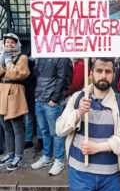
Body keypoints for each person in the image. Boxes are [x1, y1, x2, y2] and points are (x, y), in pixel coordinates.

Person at [56, 58, 120, 191]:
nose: (103, 75)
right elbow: (59, 129)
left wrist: (101, 147)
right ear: (91, 73)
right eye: (99, 71)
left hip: (112, 177)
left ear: (114, 75)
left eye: (108, 72)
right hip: (79, 175)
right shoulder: (77, 98)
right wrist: (78, 113)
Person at [31, 57, 69, 176]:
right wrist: (37, 96)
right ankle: (47, 157)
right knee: (44, 131)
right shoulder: (40, 57)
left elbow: (63, 78)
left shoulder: (60, 57)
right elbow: (35, 77)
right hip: (40, 100)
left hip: (51, 102)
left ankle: (59, 160)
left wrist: (55, 99)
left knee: (56, 133)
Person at [0, 33, 30, 170]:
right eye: (7, 42)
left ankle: (18, 156)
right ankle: (10, 154)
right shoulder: (3, 56)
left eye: (12, 42)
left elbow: (16, 74)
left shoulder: (22, 57)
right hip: (2, 93)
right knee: (6, 126)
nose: (9, 45)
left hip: (15, 93)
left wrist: (8, 63)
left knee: (17, 127)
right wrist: (3, 59)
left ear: (17, 44)